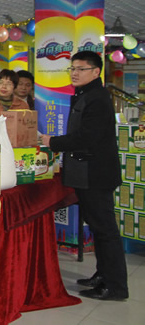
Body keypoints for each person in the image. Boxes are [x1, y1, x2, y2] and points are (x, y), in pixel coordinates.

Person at [41, 51, 128, 301]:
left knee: (105, 230)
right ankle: (103, 276)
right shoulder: (85, 95)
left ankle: (116, 286)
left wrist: (52, 142)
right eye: (72, 68)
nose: (75, 73)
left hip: (96, 175)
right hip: (86, 173)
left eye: (81, 69)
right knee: (99, 228)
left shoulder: (97, 98)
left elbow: (87, 137)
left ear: (96, 72)